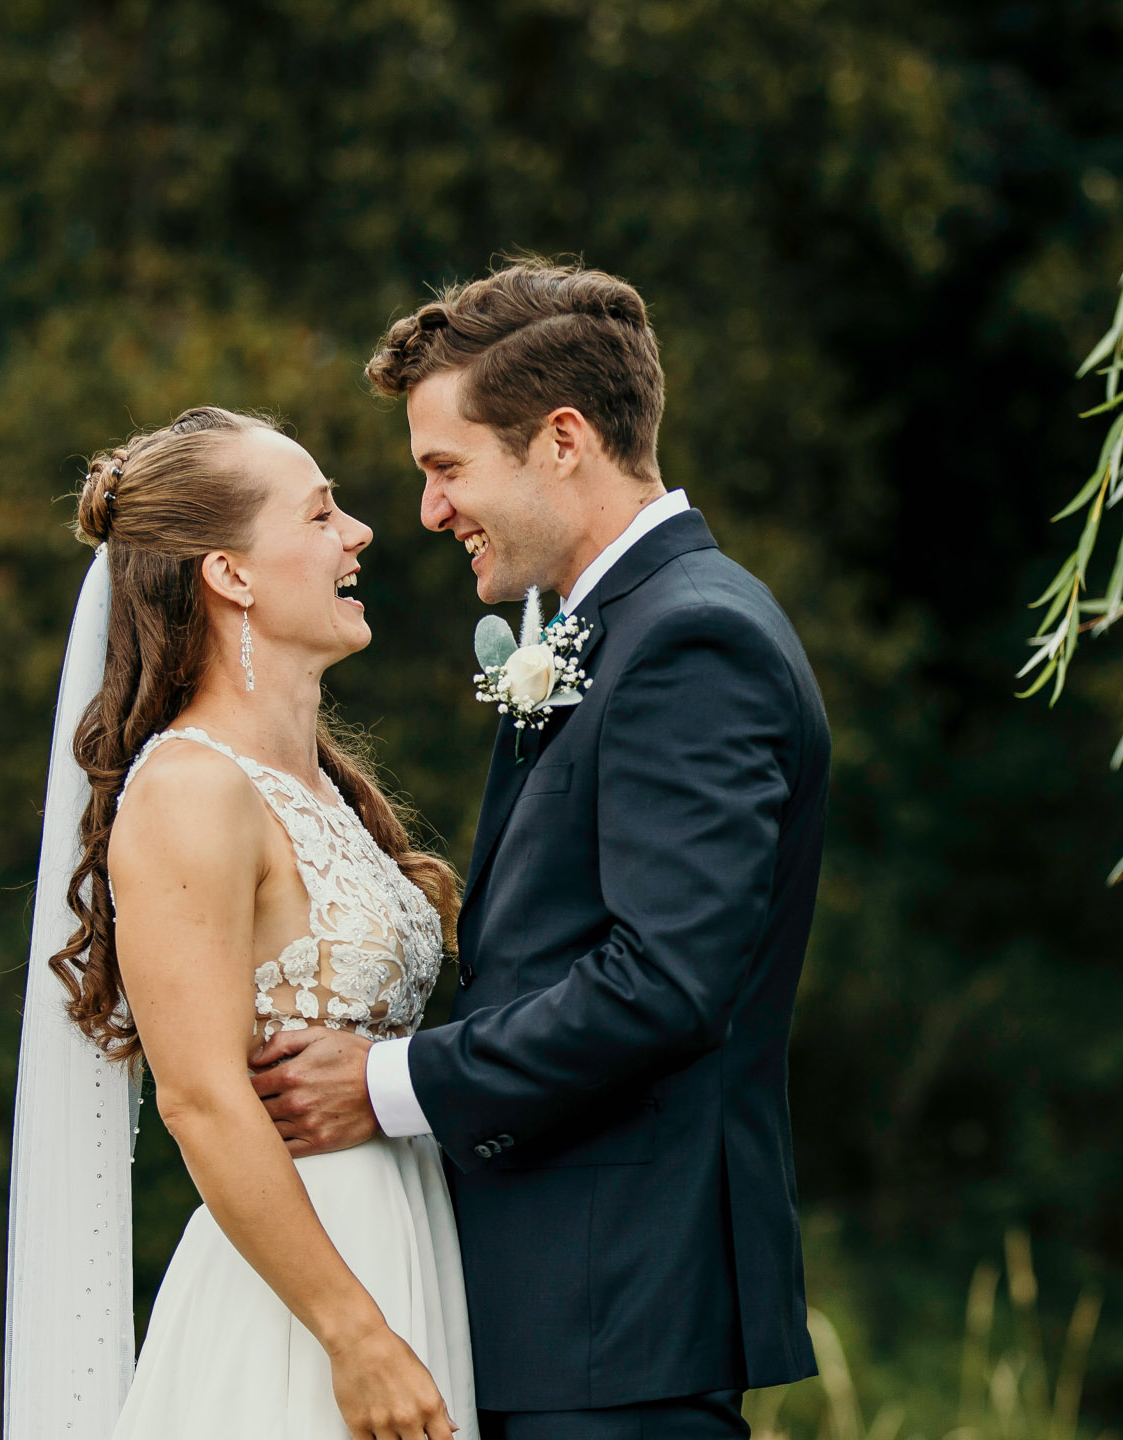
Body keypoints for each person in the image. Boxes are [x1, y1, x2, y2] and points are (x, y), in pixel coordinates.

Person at [246, 260, 831, 1439]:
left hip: (619, 1316)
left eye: (445, 468)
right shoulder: (615, 628)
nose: (428, 512)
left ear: (562, 440)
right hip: (560, 1313)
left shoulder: (692, 640)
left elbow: (666, 983)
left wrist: (384, 1083)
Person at [15, 405, 475, 1440]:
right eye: (320, 515)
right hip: (305, 1303)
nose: (358, 533)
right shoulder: (190, 789)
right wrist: (354, 1337)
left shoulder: (318, 791)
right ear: (231, 575)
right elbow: (204, 1101)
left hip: (404, 1240)